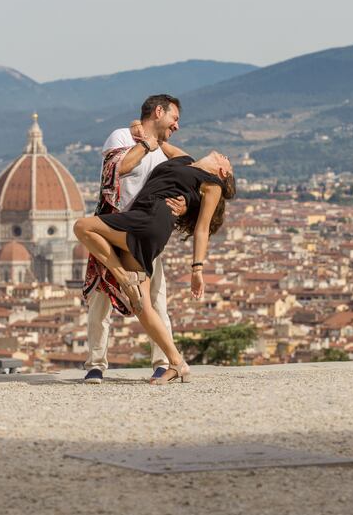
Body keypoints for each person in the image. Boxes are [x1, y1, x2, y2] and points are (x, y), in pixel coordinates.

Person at [74, 131, 236, 385]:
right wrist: (139, 128)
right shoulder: (185, 160)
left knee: (83, 227)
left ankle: (121, 276)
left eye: (227, 161)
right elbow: (159, 142)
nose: (224, 156)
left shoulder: (212, 185)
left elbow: (202, 229)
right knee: (141, 306)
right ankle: (177, 363)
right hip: (143, 221)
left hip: (150, 220)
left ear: (223, 173)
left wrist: (197, 268)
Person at [82, 94, 187, 385]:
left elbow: (186, 177)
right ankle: (95, 364)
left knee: (156, 300)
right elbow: (116, 170)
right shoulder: (121, 136)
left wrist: (185, 205)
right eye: (174, 118)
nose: (177, 125)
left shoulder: (164, 151)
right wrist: (144, 145)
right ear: (158, 112)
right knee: (100, 299)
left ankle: (163, 361)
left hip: (146, 234)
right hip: (113, 226)